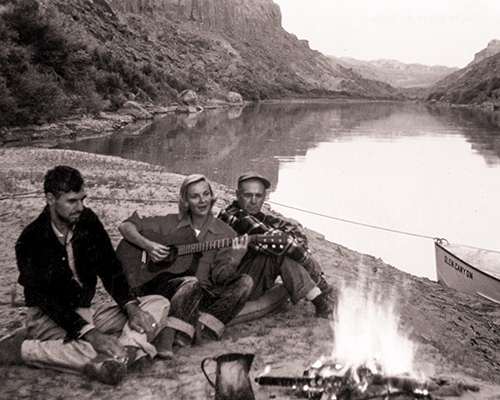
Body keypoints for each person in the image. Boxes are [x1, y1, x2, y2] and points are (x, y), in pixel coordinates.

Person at [2, 165, 172, 385]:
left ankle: (124, 353)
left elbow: (111, 269)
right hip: (48, 317)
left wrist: (131, 307)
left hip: (87, 311)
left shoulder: (88, 221)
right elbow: (49, 302)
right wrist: (92, 334)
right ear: (50, 199)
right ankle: (25, 349)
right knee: (88, 348)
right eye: (72, 201)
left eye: (83, 199)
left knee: (157, 304)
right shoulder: (31, 239)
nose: (80, 207)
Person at [118, 174, 253, 343]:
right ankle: (181, 332)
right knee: (190, 282)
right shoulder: (169, 222)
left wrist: (235, 259)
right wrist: (148, 245)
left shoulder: (226, 233)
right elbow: (125, 225)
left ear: (212, 196)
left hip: (203, 296)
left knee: (245, 282)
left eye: (206, 194)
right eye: (195, 196)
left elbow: (221, 279)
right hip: (167, 291)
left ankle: (203, 328)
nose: (202, 200)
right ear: (186, 201)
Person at [218, 172, 335, 319]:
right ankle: (321, 301)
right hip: (234, 285)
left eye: (258, 196)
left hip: (248, 275)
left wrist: (295, 244)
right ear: (237, 195)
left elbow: (291, 230)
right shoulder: (231, 217)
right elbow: (284, 243)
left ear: (264, 197)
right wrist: (308, 261)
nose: (254, 201)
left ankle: (321, 297)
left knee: (282, 249)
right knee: (280, 253)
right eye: (248, 195)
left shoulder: (255, 216)